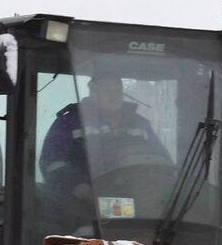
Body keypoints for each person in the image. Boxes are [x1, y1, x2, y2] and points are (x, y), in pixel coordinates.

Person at [38, 74, 171, 196]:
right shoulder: (69, 123)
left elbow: (164, 161)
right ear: (93, 93)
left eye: (118, 91)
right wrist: (76, 185)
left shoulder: (141, 125)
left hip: (137, 201)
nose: (114, 96)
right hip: (80, 206)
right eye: (107, 91)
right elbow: (51, 161)